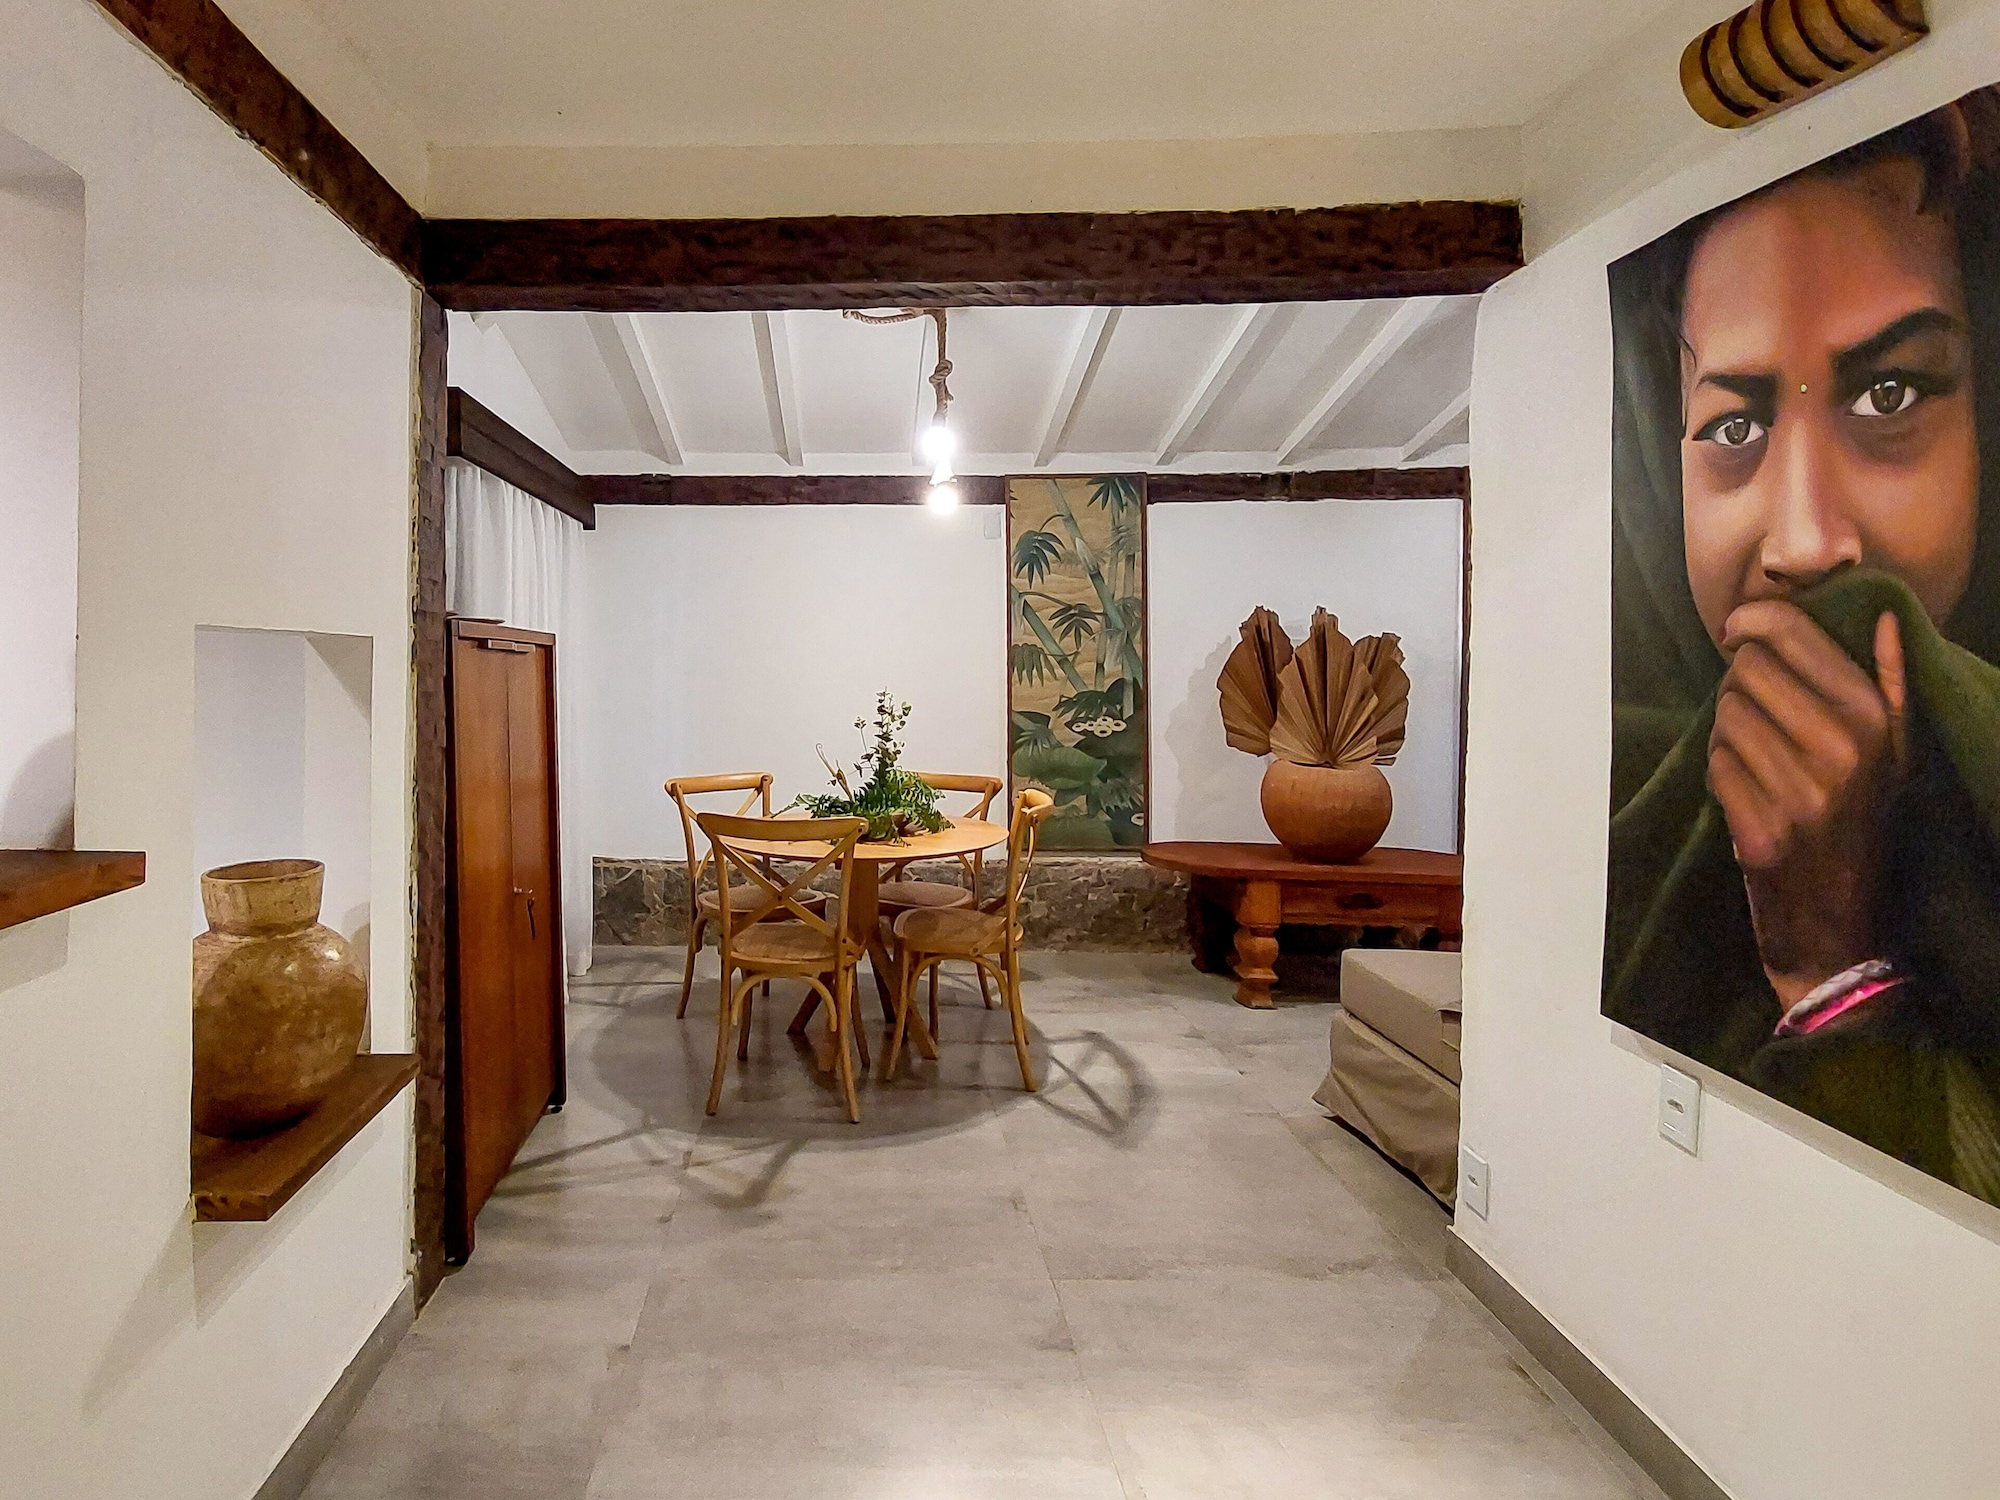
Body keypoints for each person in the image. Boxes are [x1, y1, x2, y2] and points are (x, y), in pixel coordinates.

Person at [1606, 91, 2000, 1208]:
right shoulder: (1614, 785)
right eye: (1733, 427)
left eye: (1890, 393)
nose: (1807, 541)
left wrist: (1830, 965)